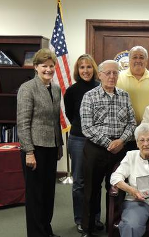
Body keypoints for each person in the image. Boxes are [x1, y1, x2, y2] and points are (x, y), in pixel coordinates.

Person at [80, 60, 136, 237]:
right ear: (100, 75)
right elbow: (87, 127)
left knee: (117, 189)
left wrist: (121, 141)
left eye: (115, 73)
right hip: (96, 149)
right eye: (108, 73)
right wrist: (107, 143)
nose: (112, 76)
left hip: (120, 149)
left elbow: (132, 123)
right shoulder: (89, 96)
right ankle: (88, 228)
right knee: (91, 190)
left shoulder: (125, 96)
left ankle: (115, 226)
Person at [17, 48, 64, 237]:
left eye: (51, 66)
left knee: (48, 194)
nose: (48, 69)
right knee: (35, 196)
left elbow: (55, 120)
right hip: (34, 149)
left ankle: (46, 230)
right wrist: (29, 151)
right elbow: (23, 123)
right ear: (36, 67)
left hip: (51, 148)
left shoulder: (56, 88)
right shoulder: (27, 88)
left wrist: (59, 144)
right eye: (44, 66)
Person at [63, 54, 104, 233]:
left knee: (96, 181)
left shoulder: (100, 87)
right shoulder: (72, 90)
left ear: (94, 69)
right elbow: (71, 114)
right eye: (82, 67)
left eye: (88, 67)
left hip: (97, 140)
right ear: (77, 70)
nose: (85, 70)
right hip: (79, 139)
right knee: (79, 181)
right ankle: (80, 218)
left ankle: (94, 218)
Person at [117, 45, 149, 125]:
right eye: (134, 57)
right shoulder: (118, 78)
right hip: (125, 126)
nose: (138, 60)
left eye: (141, 57)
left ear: (146, 61)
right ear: (129, 60)